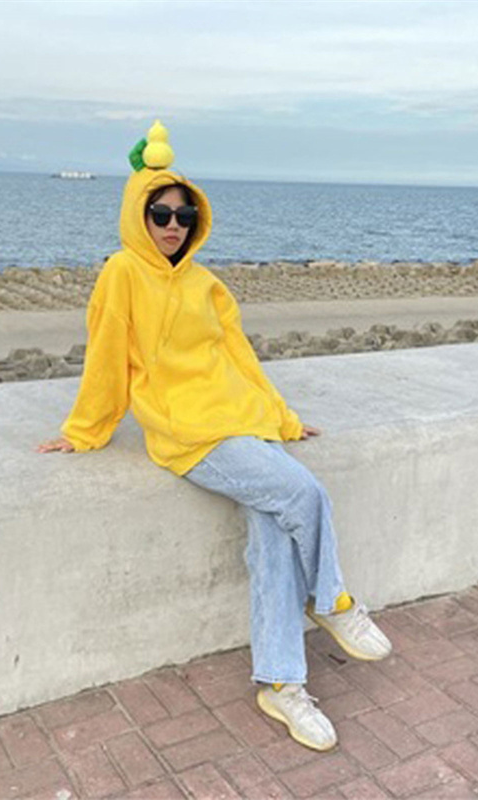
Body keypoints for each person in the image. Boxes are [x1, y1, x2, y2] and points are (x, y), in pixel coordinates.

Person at [36, 120, 392, 751]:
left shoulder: (206, 283)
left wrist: (282, 418)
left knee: (273, 534)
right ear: (139, 216)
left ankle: (281, 685)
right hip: (190, 434)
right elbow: (106, 357)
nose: (173, 226)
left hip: (242, 418)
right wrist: (84, 430)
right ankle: (332, 600)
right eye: (160, 214)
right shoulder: (122, 273)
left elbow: (239, 357)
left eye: (184, 215)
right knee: (303, 494)